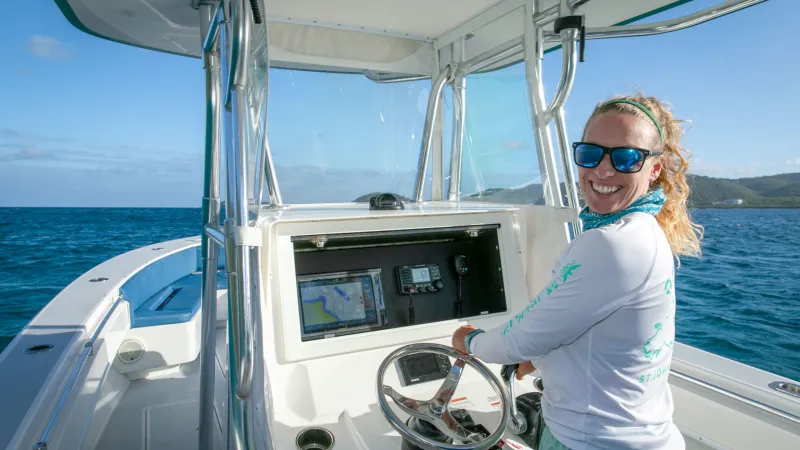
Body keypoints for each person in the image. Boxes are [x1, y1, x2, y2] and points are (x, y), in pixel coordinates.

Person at [452, 95, 703, 450]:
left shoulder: (612, 243)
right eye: (591, 153)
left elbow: (518, 339)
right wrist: (538, 357)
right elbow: (592, 332)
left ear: (654, 169)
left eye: (626, 157)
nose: (603, 170)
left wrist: (469, 339)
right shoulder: (643, 230)